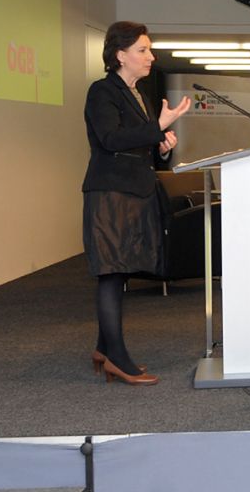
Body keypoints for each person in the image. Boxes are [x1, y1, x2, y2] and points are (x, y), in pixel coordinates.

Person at [82, 21, 191, 386]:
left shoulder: (139, 96)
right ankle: (116, 358)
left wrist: (159, 144)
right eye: (143, 50)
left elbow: (135, 144)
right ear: (120, 55)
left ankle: (102, 346)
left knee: (121, 269)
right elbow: (110, 139)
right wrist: (157, 125)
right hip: (111, 195)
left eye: (149, 50)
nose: (150, 57)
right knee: (111, 273)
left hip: (134, 193)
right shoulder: (102, 92)